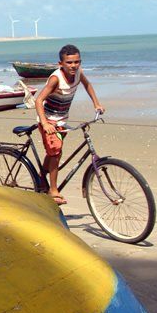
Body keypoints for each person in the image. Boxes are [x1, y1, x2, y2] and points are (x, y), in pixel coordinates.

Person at [34, 44, 104, 205]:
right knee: (55, 153)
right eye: (69, 63)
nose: (74, 66)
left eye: (77, 62)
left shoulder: (79, 73)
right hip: (49, 120)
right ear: (61, 64)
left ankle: (40, 178)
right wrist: (45, 123)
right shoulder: (55, 79)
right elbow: (38, 100)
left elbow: (87, 85)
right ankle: (53, 190)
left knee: (54, 152)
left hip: (62, 119)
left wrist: (97, 104)